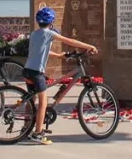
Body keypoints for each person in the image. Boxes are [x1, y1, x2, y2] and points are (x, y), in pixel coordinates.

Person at [24, 7, 98, 145]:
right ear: (51, 22)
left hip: (28, 69)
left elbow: (39, 51)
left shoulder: (35, 34)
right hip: (36, 72)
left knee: (31, 100)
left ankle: (25, 128)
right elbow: (70, 41)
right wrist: (89, 46)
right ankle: (38, 133)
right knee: (43, 103)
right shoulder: (48, 33)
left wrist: (58, 55)